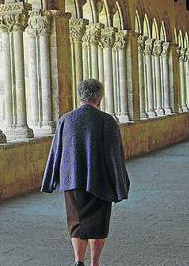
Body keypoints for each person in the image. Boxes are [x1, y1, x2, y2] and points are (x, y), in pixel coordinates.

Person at [41, 79, 130, 266]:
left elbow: (56, 151)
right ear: (100, 97)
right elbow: (115, 154)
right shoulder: (107, 121)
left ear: (79, 95)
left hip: (71, 179)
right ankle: (94, 263)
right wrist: (121, 183)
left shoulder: (66, 119)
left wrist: (50, 179)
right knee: (99, 223)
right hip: (101, 180)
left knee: (76, 222)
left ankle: (78, 260)